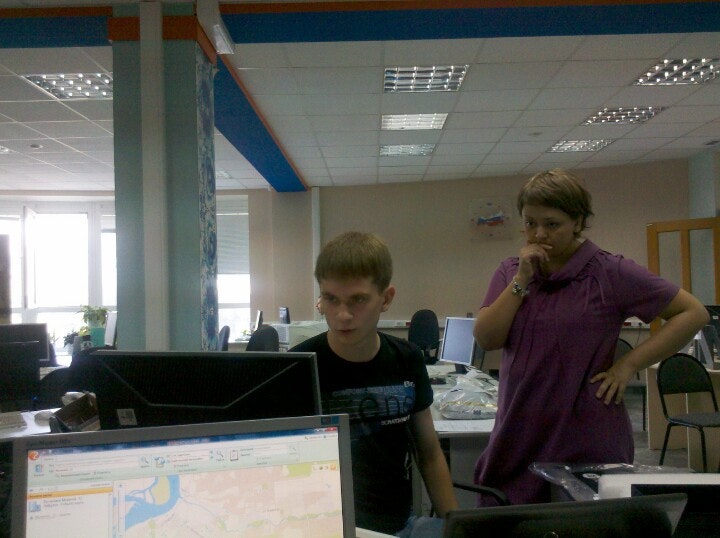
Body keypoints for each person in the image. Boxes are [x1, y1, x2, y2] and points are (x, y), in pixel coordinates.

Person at [472, 168, 709, 506]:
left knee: (584, 521)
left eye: (552, 224)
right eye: (530, 223)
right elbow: (487, 338)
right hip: (520, 427)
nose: (539, 234)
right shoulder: (511, 271)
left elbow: (693, 313)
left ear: (578, 222)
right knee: (511, 517)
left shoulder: (609, 271)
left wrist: (628, 365)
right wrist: (522, 280)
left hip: (585, 433)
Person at [291, 231, 457, 536]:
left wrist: (455, 526)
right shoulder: (299, 365)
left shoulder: (407, 358)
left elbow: (429, 453)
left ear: (386, 299)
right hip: (324, 529)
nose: (342, 315)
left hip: (398, 525)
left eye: (358, 300)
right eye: (331, 299)